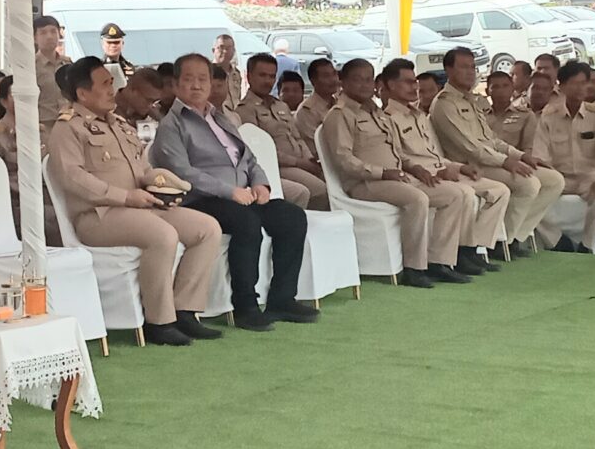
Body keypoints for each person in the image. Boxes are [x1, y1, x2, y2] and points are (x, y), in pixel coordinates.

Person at [48, 57, 222, 346]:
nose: (112, 89)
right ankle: (160, 321)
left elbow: (143, 170)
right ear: (83, 93)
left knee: (207, 228)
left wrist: (163, 183)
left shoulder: (118, 124)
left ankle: (185, 310)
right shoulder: (69, 128)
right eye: (105, 84)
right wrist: (126, 197)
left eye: (111, 82)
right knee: (163, 235)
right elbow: (72, 178)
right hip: (99, 216)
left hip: (141, 206)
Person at [151, 54, 316, 326]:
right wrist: (229, 191)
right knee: (246, 222)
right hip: (200, 200)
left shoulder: (221, 119)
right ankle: (245, 306)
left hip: (241, 195)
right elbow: (182, 172)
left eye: (202, 79)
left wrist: (260, 183)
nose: (196, 85)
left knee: (292, 216)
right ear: (176, 84)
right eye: (189, 80)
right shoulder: (172, 125)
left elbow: (248, 158)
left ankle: (282, 299)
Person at [322, 59, 470, 287]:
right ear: (343, 82)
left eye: (368, 79)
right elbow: (344, 161)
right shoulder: (340, 115)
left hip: (397, 177)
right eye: (357, 80)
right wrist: (383, 173)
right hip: (365, 183)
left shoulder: (377, 113)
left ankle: (439, 262)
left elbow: (398, 152)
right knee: (417, 199)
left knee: (454, 194)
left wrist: (415, 168)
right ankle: (413, 268)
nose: (364, 85)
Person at [430, 48, 560, 258]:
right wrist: (505, 162)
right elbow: (470, 147)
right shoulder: (444, 104)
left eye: (472, 67)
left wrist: (520, 156)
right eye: (464, 67)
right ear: (449, 70)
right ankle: (497, 244)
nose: (470, 72)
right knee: (528, 184)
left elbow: (491, 140)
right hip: (469, 166)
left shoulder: (471, 100)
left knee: (554, 181)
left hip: (490, 161)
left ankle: (514, 236)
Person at [384, 59, 509, 269]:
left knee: (500, 190)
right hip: (421, 177)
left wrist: (458, 167)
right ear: (391, 85)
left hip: (442, 171)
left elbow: (435, 155)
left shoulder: (419, 116)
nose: (414, 87)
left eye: (414, 82)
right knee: (462, 194)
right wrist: (437, 171)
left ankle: (472, 248)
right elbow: (400, 158)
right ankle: (444, 259)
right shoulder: (388, 118)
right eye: (407, 82)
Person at [530, 62, 595, 251]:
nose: (581, 88)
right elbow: (540, 155)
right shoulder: (549, 116)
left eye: (584, 83)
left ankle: (587, 245)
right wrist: (548, 178)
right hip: (558, 177)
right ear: (562, 86)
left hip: (587, 177)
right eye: (575, 83)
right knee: (528, 196)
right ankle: (558, 242)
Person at [234, 53, 324, 209]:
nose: (268, 81)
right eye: (262, 75)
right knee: (320, 190)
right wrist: (299, 163)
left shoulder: (281, 105)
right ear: (249, 76)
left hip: (300, 163)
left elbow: (297, 137)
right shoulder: (245, 110)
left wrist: (309, 159)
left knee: (332, 179)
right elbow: (258, 151)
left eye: (272, 76)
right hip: (277, 167)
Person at [32, 14, 73, 127]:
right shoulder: (31, 67)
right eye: (43, 33)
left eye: (53, 31)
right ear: (35, 38)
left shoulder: (68, 63)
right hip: (44, 125)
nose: (49, 36)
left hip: (69, 122)